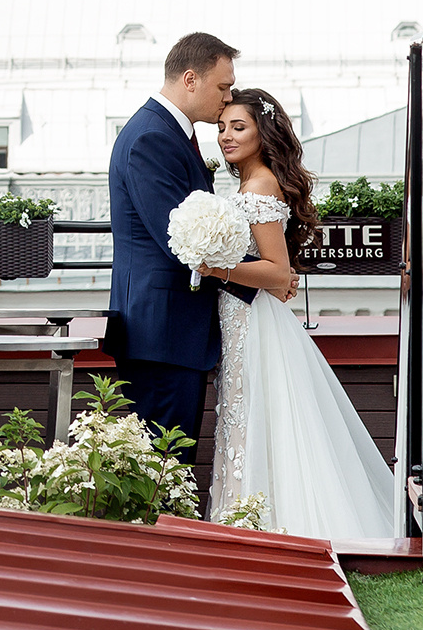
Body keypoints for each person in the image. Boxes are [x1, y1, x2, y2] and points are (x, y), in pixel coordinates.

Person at [207, 87, 401, 537]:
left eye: (239, 127)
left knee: (258, 414)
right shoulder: (248, 182)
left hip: (254, 321)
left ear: (263, 131)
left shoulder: (259, 186)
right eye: (221, 128)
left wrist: (211, 264)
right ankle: (244, 520)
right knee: (244, 414)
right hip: (240, 316)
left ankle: (260, 524)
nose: (226, 137)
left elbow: (277, 271)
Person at [104, 31, 294, 450]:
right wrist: (266, 275)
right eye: (223, 87)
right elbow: (182, 241)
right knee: (165, 466)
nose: (226, 99)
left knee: (169, 464)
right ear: (191, 79)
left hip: (171, 331)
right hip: (163, 332)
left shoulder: (167, 132)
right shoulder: (153, 138)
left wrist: (270, 272)